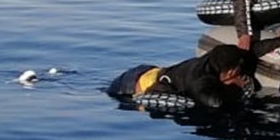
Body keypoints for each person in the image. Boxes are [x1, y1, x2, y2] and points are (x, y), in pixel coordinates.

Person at [106, 44, 255, 110]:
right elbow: (215, 103)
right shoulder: (200, 81)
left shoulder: (211, 59)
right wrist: (236, 86)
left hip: (148, 71)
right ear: (229, 72)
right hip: (128, 87)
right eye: (237, 70)